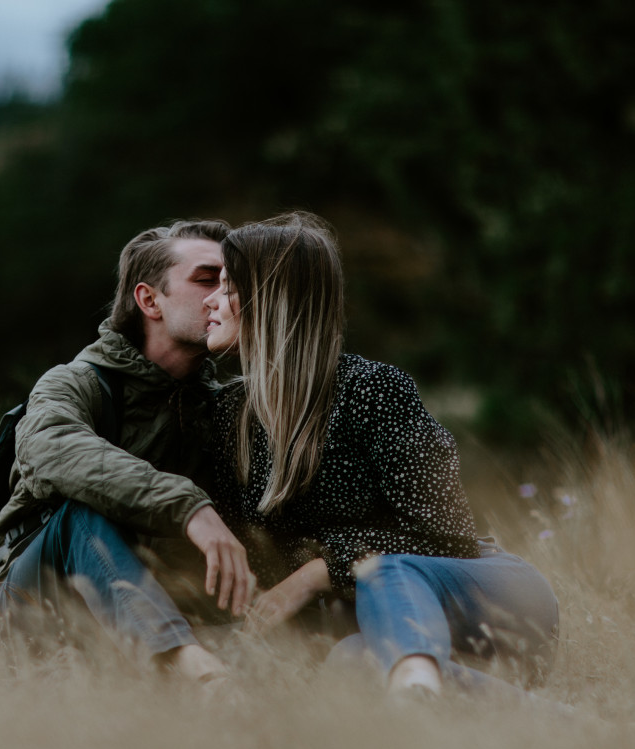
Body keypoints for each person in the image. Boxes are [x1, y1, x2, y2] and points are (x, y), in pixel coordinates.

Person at [203, 212, 559, 700]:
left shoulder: (372, 391)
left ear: (269, 300)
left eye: (226, 287)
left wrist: (314, 574)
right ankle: (596, 733)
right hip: (374, 631)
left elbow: (447, 535)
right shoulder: (230, 416)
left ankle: (413, 678)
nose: (210, 300)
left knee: (385, 570)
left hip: (483, 597)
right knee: (349, 666)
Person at [0, 219, 254, 691]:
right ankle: (195, 675)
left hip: (164, 614)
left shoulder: (225, 408)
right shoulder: (75, 382)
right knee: (80, 515)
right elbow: (51, 449)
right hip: (30, 608)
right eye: (206, 278)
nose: (222, 295)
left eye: (232, 284)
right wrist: (188, 506)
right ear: (149, 300)